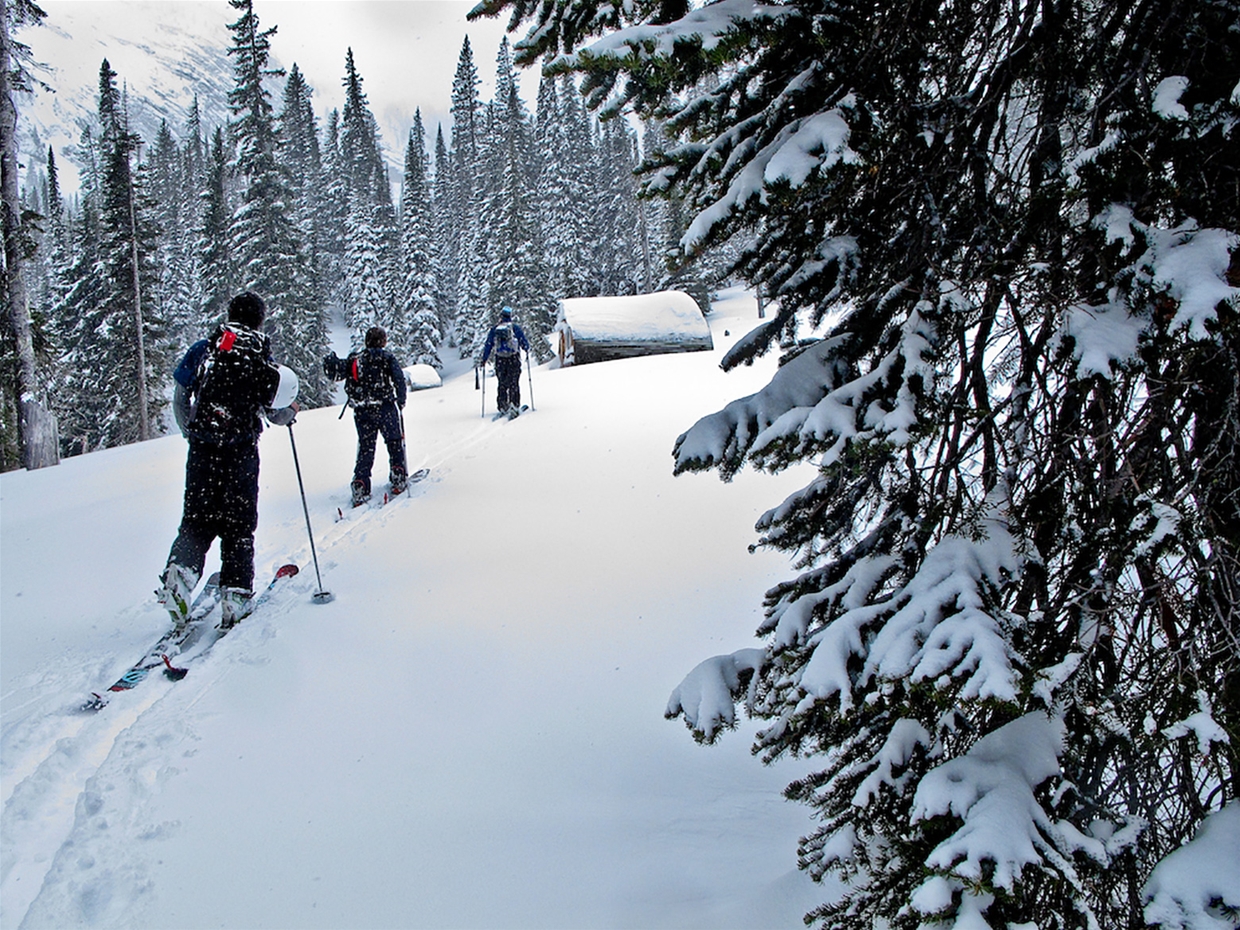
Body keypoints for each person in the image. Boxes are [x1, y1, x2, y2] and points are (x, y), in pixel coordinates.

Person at [158, 291, 297, 630]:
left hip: (203, 449)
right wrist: (290, 413)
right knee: (239, 525)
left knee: (196, 519)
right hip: (241, 453)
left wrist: (191, 432)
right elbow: (274, 412)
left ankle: (180, 576)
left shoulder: (207, 349)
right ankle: (235, 595)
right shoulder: (260, 358)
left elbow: (180, 394)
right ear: (259, 320)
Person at [323, 326, 408, 507]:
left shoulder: (357, 360)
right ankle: (398, 475)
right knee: (394, 442)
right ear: (383, 341)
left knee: (366, 448)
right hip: (385, 408)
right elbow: (399, 379)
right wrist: (401, 400)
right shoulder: (387, 358)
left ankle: (361, 484)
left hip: (363, 411)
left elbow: (338, 370)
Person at [480, 306, 530, 416]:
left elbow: (488, 344)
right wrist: (526, 348)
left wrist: (484, 359)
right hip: (513, 358)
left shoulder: (494, 329)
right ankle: (514, 405)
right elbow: (523, 342)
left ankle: (502, 406)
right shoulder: (514, 327)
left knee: (502, 383)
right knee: (514, 382)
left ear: (501, 316)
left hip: (500, 360)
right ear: (510, 316)